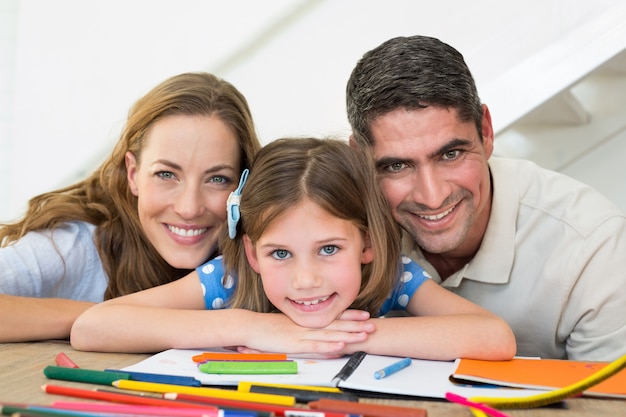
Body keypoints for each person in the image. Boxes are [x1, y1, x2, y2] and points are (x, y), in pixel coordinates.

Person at [71, 137, 516, 361]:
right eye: (280, 254)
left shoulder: (393, 279)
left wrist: (341, 340)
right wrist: (249, 328)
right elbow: (93, 327)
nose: (306, 280)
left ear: (366, 244)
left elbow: (495, 337)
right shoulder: (228, 280)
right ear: (252, 254)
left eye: (328, 249)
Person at [345, 35, 626, 361]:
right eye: (397, 166)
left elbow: (609, 406)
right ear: (359, 160)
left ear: (486, 132)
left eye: (450, 154)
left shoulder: (596, 249)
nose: (432, 197)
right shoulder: (343, 231)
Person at [0, 72, 261, 342]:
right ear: (133, 173)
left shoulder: (260, 252)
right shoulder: (78, 243)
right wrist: (113, 319)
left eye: (217, 179)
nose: (189, 208)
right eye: (166, 174)